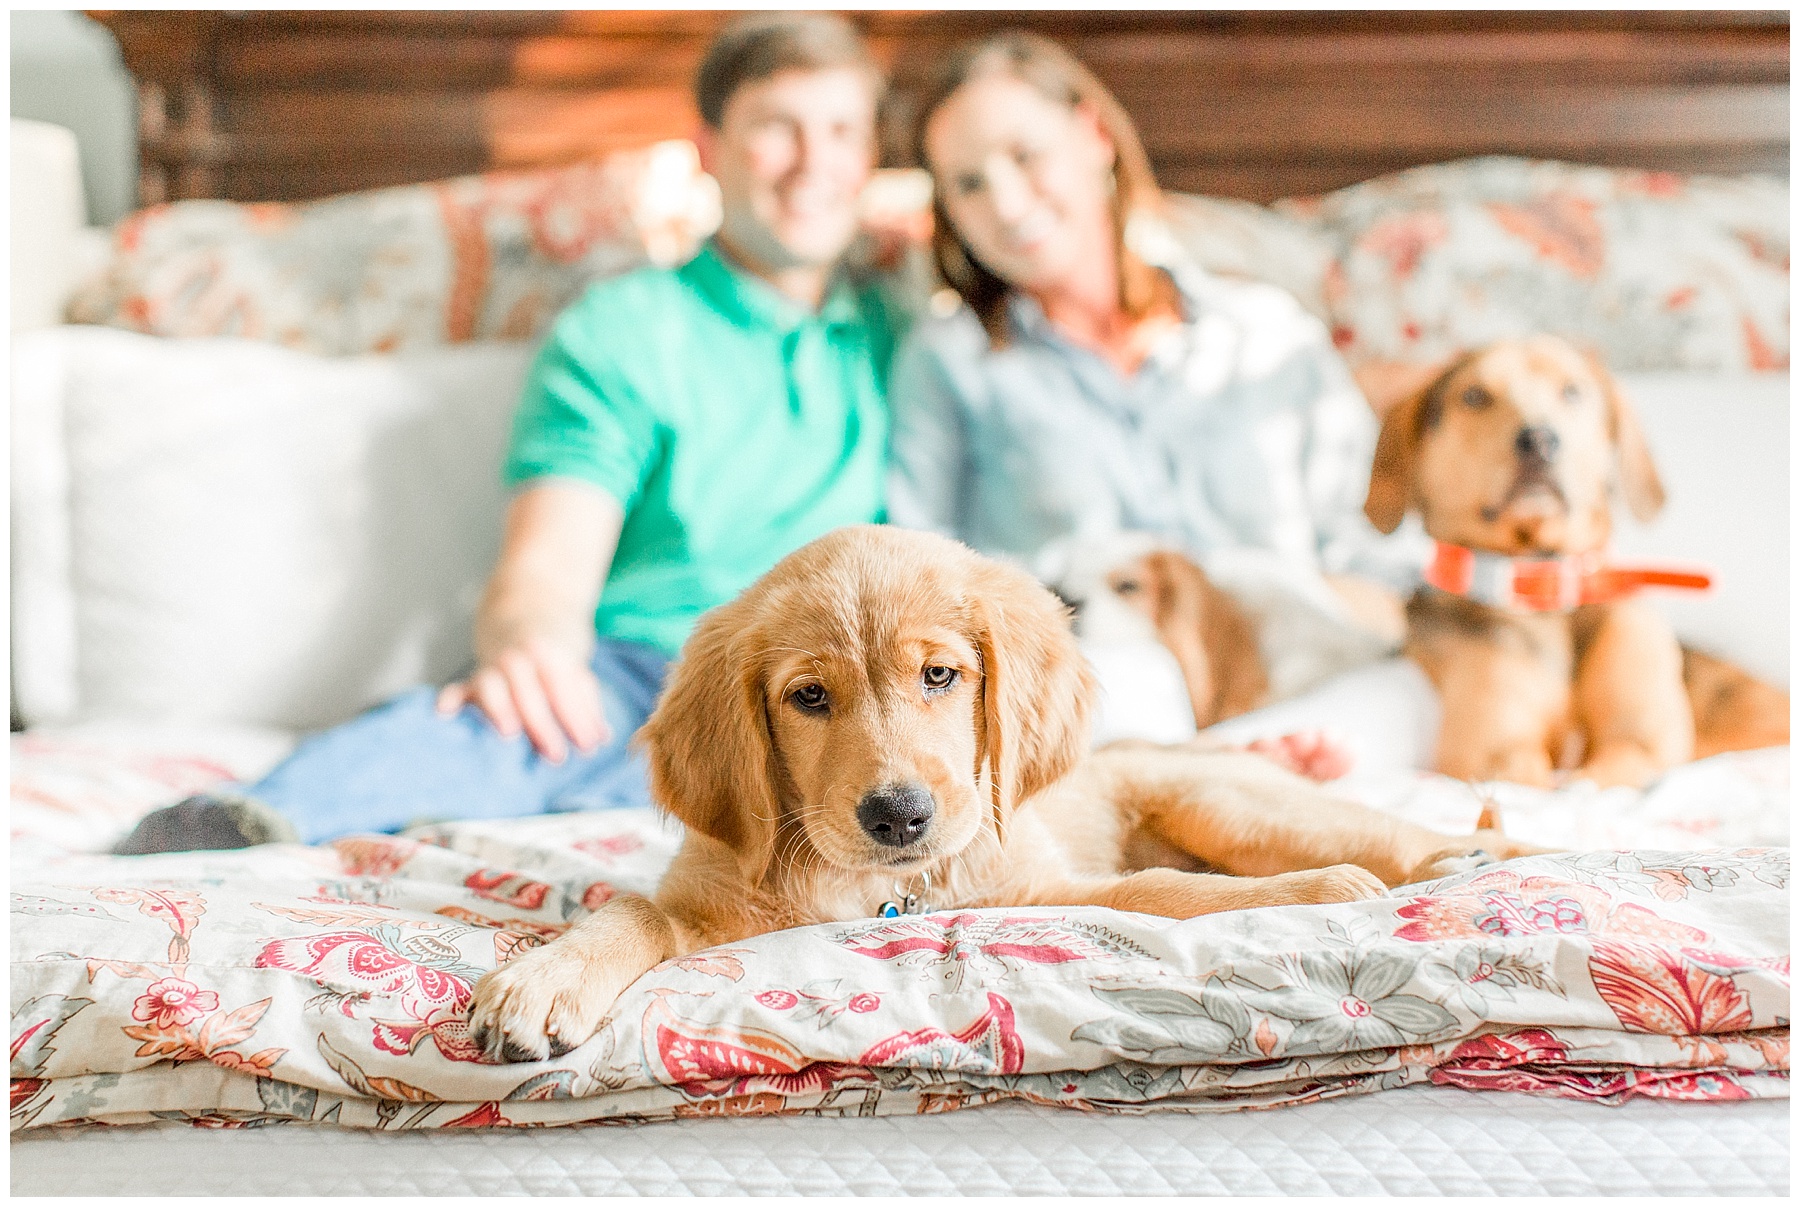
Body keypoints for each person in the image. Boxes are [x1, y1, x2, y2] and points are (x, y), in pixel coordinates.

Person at [119, 12, 896, 853]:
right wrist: (532, 647)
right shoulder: (625, 328)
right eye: (778, 128)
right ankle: (232, 825)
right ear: (708, 147)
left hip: (857, 684)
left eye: (843, 132)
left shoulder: (905, 328)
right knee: (512, 722)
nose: (816, 163)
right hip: (652, 674)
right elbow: (547, 567)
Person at [886, 31, 1421, 597]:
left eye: (1026, 155)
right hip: (1089, 670)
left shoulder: (1265, 332)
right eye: (968, 185)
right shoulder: (947, 363)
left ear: (1095, 136)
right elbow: (922, 588)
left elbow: (1375, 543)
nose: (1008, 205)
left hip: (1291, 660)